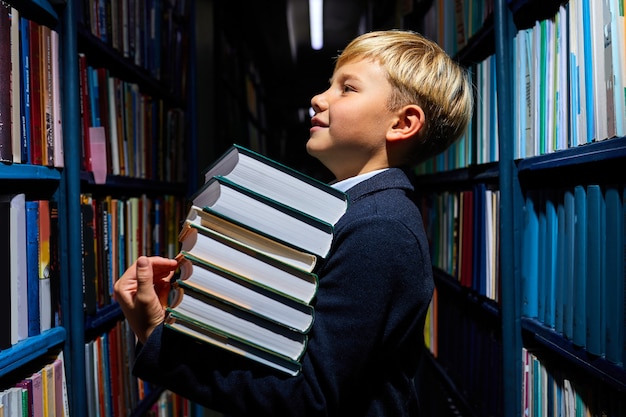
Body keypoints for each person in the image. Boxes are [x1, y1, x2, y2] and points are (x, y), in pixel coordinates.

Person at [114, 29, 473, 416]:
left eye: (347, 88)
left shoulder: (380, 229)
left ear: (402, 124)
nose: (318, 98)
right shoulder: (353, 210)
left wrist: (157, 339)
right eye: (329, 85)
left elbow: (310, 399)